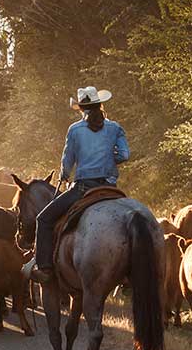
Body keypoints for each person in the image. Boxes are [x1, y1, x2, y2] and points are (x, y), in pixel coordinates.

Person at [31, 86, 130, 283]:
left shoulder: (75, 130)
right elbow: (125, 155)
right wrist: (109, 160)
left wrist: (64, 176)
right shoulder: (115, 127)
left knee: (43, 219)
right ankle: (130, 272)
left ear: (81, 109)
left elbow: (67, 162)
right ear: (100, 105)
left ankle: (45, 268)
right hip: (110, 187)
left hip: (84, 188)